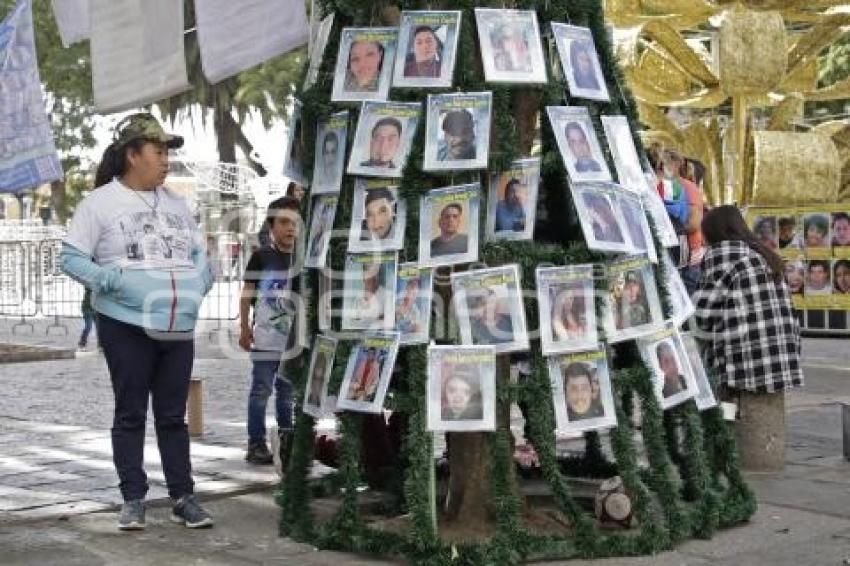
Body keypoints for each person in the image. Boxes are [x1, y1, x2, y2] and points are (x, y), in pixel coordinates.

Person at [60, 113, 215, 530]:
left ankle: (184, 497)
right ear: (132, 155)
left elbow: (202, 257)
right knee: (131, 413)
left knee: (173, 417)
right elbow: (70, 257)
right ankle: (133, 498)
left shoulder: (178, 204)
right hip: (125, 324)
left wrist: (200, 284)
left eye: (167, 153)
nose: (166, 161)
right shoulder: (100, 203)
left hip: (178, 326)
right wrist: (110, 280)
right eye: (159, 152)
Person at [693, 205, 803, 394]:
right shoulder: (765, 257)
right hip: (781, 364)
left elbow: (702, 319)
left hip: (743, 373)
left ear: (713, 233)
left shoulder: (722, 256)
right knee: (770, 422)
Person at [239, 197, 302, 468]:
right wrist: (244, 327)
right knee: (261, 390)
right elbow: (246, 295)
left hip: (293, 342)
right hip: (265, 339)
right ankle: (256, 442)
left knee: (287, 392)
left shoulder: (305, 257)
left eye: (295, 223)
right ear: (271, 226)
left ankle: (287, 440)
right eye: (284, 222)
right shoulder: (261, 256)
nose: (290, 228)